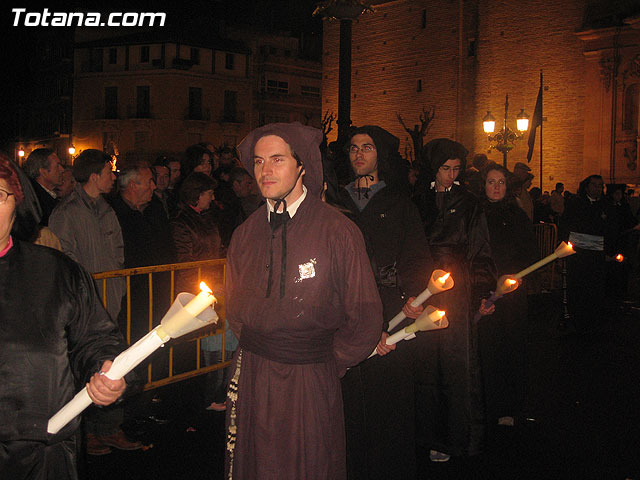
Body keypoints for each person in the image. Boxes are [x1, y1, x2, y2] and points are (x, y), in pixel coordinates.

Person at [224, 122, 383, 479]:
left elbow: (365, 316)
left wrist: (325, 359)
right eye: (259, 161)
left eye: (278, 159)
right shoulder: (244, 234)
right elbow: (234, 309)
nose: (265, 170)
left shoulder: (339, 231)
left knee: (308, 465)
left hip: (309, 377)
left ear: (302, 166)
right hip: (253, 373)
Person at [0, 155, 129, 479]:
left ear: (17, 202)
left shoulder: (56, 272)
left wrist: (105, 370)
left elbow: (95, 339)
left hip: (43, 453)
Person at [335, 125, 431, 479]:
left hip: (391, 309)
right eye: (354, 148)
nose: (358, 154)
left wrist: (412, 297)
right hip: (344, 312)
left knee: (388, 401)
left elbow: (417, 257)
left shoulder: (399, 203)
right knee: (347, 401)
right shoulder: (335, 203)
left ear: (381, 155)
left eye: (368, 148)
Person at [49, 149, 141, 455]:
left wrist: (117, 284)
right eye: (108, 172)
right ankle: (85, 432)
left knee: (112, 365)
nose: (113, 177)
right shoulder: (65, 213)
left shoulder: (107, 209)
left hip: (110, 301)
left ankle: (109, 429)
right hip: (82, 308)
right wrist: (84, 294)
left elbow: (118, 250)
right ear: (94, 176)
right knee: (83, 369)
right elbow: (64, 261)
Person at [412, 138, 496, 462]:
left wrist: (479, 294)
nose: (451, 175)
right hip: (423, 286)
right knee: (425, 361)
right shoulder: (418, 201)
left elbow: (480, 250)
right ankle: (427, 434)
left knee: (454, 362)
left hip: (457, 289)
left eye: (456, 169)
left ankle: (453, 437)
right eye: (445, 169)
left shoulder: (470, 203)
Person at [478, 164, 537, 431]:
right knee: (485, 349)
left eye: (501, 182)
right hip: (483, 293)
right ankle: (485, 404)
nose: (496, 187)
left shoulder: (517, 216)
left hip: (511, 295)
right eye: (491, 182)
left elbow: (529, 252)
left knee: (510, 348)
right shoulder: (475, 215)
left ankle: (508, 407)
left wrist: (516, 277)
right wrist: (485, 287)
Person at [560, 175, 616, 332]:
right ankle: (575, 319)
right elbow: (565, 224)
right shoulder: (575, 204)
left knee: (595, 288)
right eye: (595, 185)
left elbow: (611, 230)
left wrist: (609, 250)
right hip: (578, 256)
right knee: (577, 287)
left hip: (596, 257)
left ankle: (593, 320)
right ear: (587, 187)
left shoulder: (606, 206)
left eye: (601, 186)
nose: (598, 188)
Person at [22, 147, 65, 226]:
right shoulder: (34, 201)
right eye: (57, 166)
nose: (62, 170)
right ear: (43, 172)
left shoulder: (48, 196)